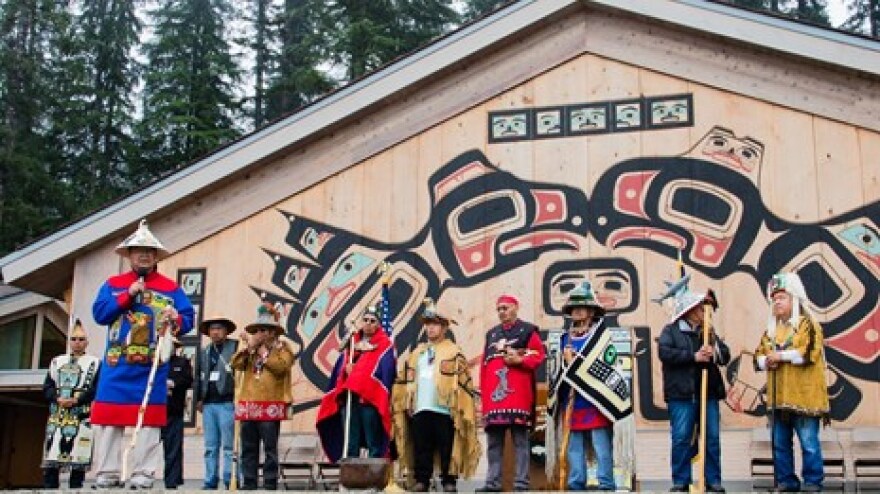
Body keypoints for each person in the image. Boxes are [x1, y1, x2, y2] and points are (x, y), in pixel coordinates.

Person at [90, 219, 195, 489]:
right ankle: (107, 473)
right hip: (117, 363)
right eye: (138, 250)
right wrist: (128, 294)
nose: (144, 255)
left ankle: (143, 474)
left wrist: (176, 318)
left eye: (149, 251)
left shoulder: (171, 288)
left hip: (152, 365)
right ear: (129, 255)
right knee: (109, 420)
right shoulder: (113, 283)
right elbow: (100, 314)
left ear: (156, 256)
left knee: (149, 421)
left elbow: (188, 318)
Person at [392, 299, 481, 492]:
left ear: (444, 328)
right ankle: (422, 480)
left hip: (444, 407)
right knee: (421, 447)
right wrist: (407, 400)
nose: (430, 329)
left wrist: (459, 405)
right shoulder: (417, 353)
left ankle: (449, 481)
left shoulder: (454, 352)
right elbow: (405, 380)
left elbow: (464, 380)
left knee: (447, 445)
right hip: (420, 407)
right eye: (427, 325)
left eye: (434, 325)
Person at [754, 273, 830, 492]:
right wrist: (767, 360)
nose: (777, 301)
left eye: (782, 297)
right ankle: (786, 480)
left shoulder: (809, 324)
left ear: (794, 299)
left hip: (804, 396)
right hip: (779, 398)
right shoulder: (771, 330)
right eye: (774, 298)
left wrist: (780, 356)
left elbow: (808, 353)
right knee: (779, 444)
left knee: (809, 444)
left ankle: (813, 482)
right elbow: (757, 356)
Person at [657, 276, 729, 493]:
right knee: (681, 438)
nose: (704, 313)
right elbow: (665, 353)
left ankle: (712, 480)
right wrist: (693, 356)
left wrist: (713, 350)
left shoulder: (708, 332)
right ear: (688, 310)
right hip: (682, 394)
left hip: (708, 394)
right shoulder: (671, 331)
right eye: (700, 309)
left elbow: (725, 356)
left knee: (712, 438)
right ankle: (681, 481)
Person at [546, 281, 619, 491]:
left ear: (591, 311)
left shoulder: (602, 338)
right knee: (573, 447)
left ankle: (606, 484)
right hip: (572, 400)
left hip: (596, 400)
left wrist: (576, 363)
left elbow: (608, 364)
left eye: (582, 307)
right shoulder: (563, 339)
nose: (577, 311)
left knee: (601, 446)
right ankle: (576, 484)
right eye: (574, 308)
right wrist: (564, 364)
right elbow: (555, 370)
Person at [477, 294, 545, 492]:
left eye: (505, 308)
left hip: (518, 396)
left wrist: (520, 360)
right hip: (495, 399)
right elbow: (484, 366)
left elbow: (538, 355)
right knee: (494, 443)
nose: (501, 312)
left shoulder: (528, 331)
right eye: (498, 309)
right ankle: (492, 483)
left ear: (516, 307)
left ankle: (521, 484)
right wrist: (484, 396)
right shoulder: (491, 334)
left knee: (520, 441)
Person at [316, 305, 397, 463]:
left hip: (370, 400)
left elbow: (385, 371)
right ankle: (350, 478)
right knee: (350, 441)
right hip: (350, 399)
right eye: (365, 320)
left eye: (372, 321)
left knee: (373, 440)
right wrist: (346, 370)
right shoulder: (352, 343)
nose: (368, 323)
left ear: (378, 324)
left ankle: (373, 477)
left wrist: (359, 372)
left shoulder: (384, 345)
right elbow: (340, 369)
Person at [231, 303, 297, 490]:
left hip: (271, 404)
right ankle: (249, 482)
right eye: (258, 330)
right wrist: (248, 348)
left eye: (265, 330)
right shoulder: (250, 347)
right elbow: (235, 364)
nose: (261, 334)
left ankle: (269, 483)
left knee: (270, 448)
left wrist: (264, 353)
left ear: (273, 332)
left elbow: (281, 367)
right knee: (249, 448)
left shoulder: (284, 347)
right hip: (249, 404)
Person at [41, 319, 101, 489]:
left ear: (87, 342)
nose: (77, 343)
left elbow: (96, 388)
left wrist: (77, 400)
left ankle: (76, 488)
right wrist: (56, 398)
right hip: (58, 413)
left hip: (81, 413)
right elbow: (47, 386)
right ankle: (49, 488)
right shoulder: (56, 361)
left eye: (81, 339)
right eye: (74, 339)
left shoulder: (95, 362)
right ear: (69, 341)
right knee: (53, 454)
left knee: (79, 455)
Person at [195, 316, 239, 489]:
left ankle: (230, 478)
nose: (215, 332)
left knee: (229, 445)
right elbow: (198, 377)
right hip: (209, 403)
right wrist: (198, 398)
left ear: (226, 331)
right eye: (212, 329)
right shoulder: (205, 351)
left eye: (219, 328)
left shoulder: (235, 347)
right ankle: (210, 479)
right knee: (210, 445)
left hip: (227, 401)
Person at [162, 337, 193, 489]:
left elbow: (188, 380)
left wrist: (173, 383)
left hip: (174, 410)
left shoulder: (182, 362)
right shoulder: (153, 362)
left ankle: (172, 480)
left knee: (173, 448)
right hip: (154, 411)